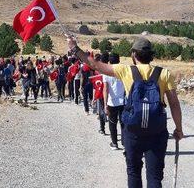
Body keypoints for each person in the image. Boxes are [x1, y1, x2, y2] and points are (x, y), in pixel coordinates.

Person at [67, 36, 183, 188]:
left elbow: (94, 64)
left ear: (134, 55)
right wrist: (178, 129)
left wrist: (74, 48)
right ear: (151, 55)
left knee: (133, 172)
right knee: (154, 176)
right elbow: (174, 104)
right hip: (156, 132)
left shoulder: (126, 70)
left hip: (133, 132)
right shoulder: (164, 74)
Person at [103, 52, 126, 150]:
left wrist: (105, 104)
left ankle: (114, 143)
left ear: (109, 61)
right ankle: (125, 143)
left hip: (112, 102)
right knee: (123, 123)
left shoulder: (106, 71)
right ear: (119, 60)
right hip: (123, 101)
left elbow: (106, 89)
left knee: (112, 123)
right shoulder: (124, 70)